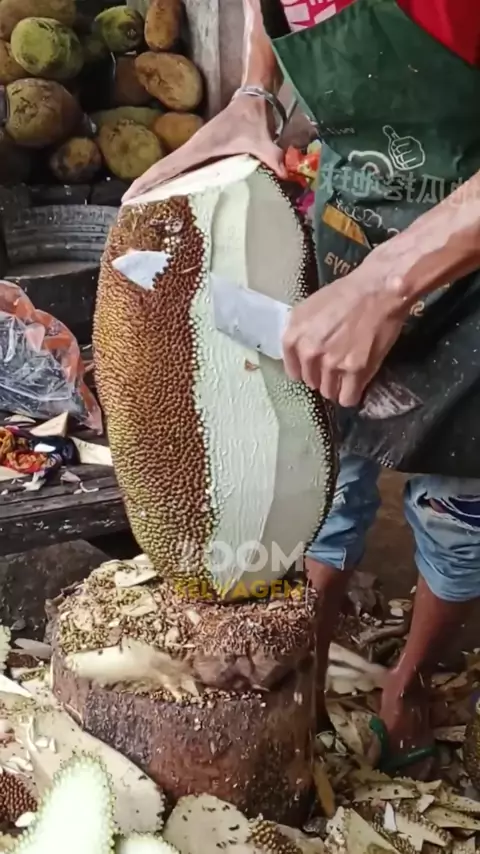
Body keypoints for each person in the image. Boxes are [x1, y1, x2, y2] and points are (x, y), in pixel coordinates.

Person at [124, 0, 480, 777]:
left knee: (459, 511)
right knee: (321, 471)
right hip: (355, 220)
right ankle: (306, 658)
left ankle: (410, 681)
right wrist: (255, 93)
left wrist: (392, 281)